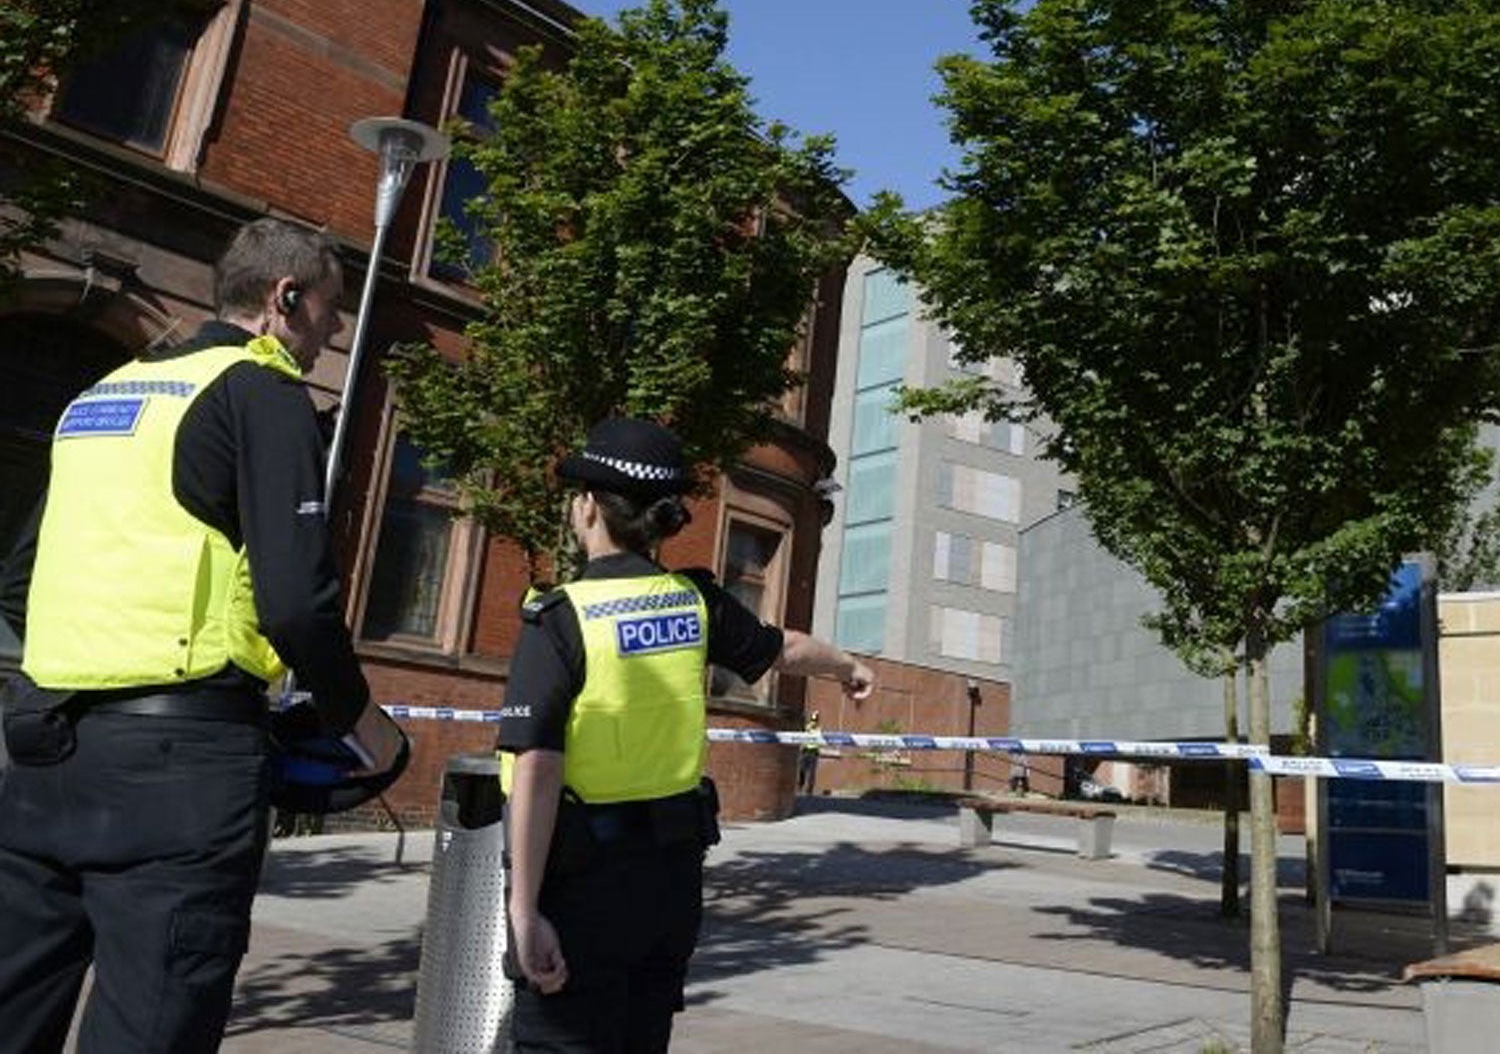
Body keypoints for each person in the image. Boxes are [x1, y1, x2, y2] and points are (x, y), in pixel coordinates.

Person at [0, 216, 406, 1053]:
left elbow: (15, 583)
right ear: (283, 298)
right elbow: (296, 601)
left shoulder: (100, 399)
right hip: (180, 771)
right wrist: (362, 725)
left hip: (43, 761)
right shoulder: (261, 390)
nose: (332, 333)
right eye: (330, 312)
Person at [497, 415, 872, 1053]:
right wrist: (851, 667)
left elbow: (537, 765)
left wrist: (523, 909)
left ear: (588, 509)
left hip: (581, 884)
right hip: (669, 888)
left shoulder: (560, 619)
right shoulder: (694, 602)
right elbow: (786, 648)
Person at [796, 709, 823, 795]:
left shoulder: (819, 729)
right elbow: (806, 730)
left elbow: (819, 738)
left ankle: (809, 790)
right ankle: (800, 786)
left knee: (811, 773)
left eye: (815, 720)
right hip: (805, 751)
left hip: (813, 752)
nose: (814, 722)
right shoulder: (808, 727)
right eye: (813, 720)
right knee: (802, 770)